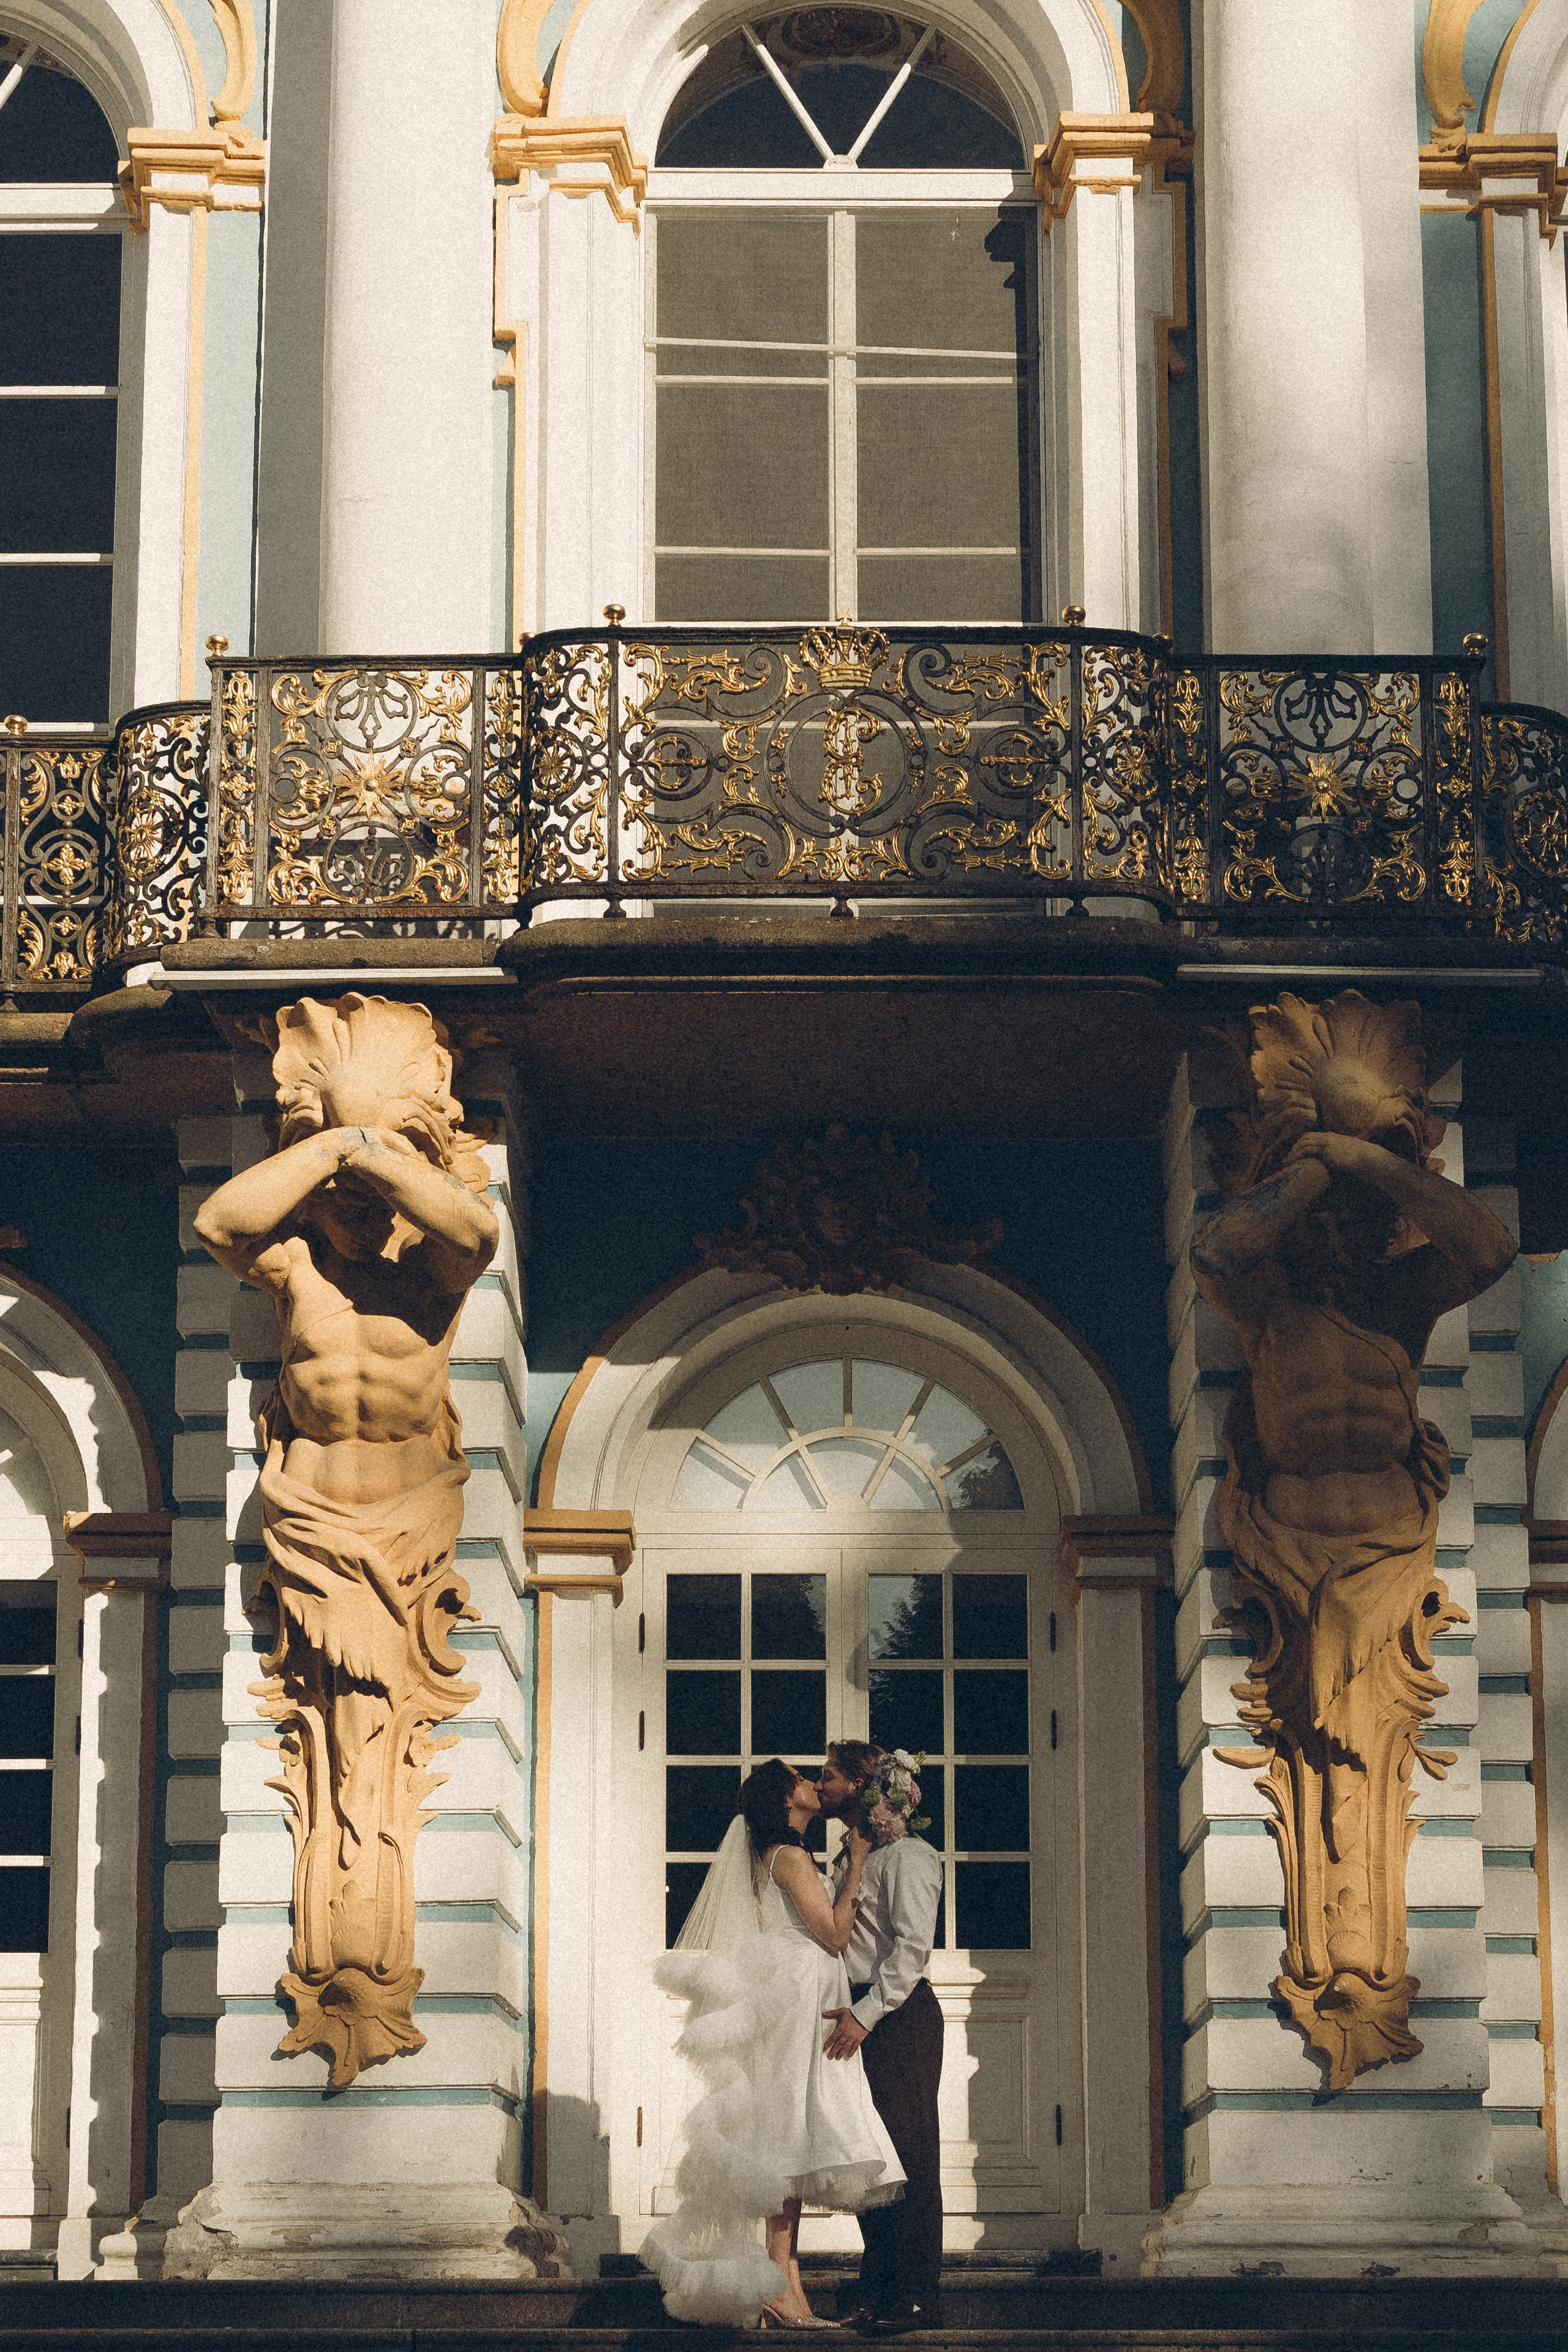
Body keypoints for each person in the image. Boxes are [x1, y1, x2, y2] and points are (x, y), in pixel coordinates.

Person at [644, 1758, 905, 2329]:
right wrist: (858, 1863)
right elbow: (835, 1933)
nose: (814, 1781)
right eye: (802, 1777)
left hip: (797, 1996)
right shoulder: (789, 1857)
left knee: (789, 2138)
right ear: (786, 1799)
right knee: (788, 2138)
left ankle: (785, 2285)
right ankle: (781, 2284)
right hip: (797, 2001)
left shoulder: (778, 1855)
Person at [816, 1743, 945, 2337]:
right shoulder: (851, 1858)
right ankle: (877, 2286)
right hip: (861, 2009)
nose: (820, 1787)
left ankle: (917, 2293)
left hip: (899, 2014)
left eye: (830, 1777)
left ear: (863, 1788)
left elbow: (911, 1954)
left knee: (910, 2155)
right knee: (873, 2160)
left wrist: (865, 2015)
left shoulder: (913, 1857)